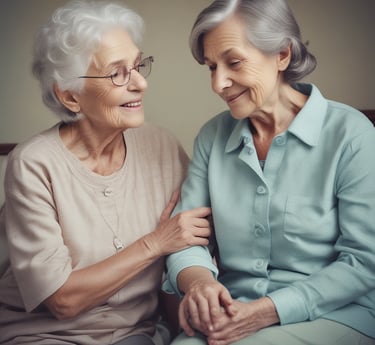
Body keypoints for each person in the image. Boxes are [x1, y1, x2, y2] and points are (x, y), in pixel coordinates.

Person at [0, 1, 212, 344]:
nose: (140, 83)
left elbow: (188, 248)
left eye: (139, 65)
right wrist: (155, 242)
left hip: (134, 335)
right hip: (43, 335)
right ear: (70, 96)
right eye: (117, 73)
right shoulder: (33, 164)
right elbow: (62, 300)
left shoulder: (161, 147)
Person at [164, 0, 375, 344]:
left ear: (282, 54)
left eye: (233, 63)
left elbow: (365, 261)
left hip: (339, 314)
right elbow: (186, 238)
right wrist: (199, 282)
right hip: (235, 311)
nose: (219, 83)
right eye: (211, 67)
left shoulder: (352, 135)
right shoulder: (211, 137)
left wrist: (266, 311)